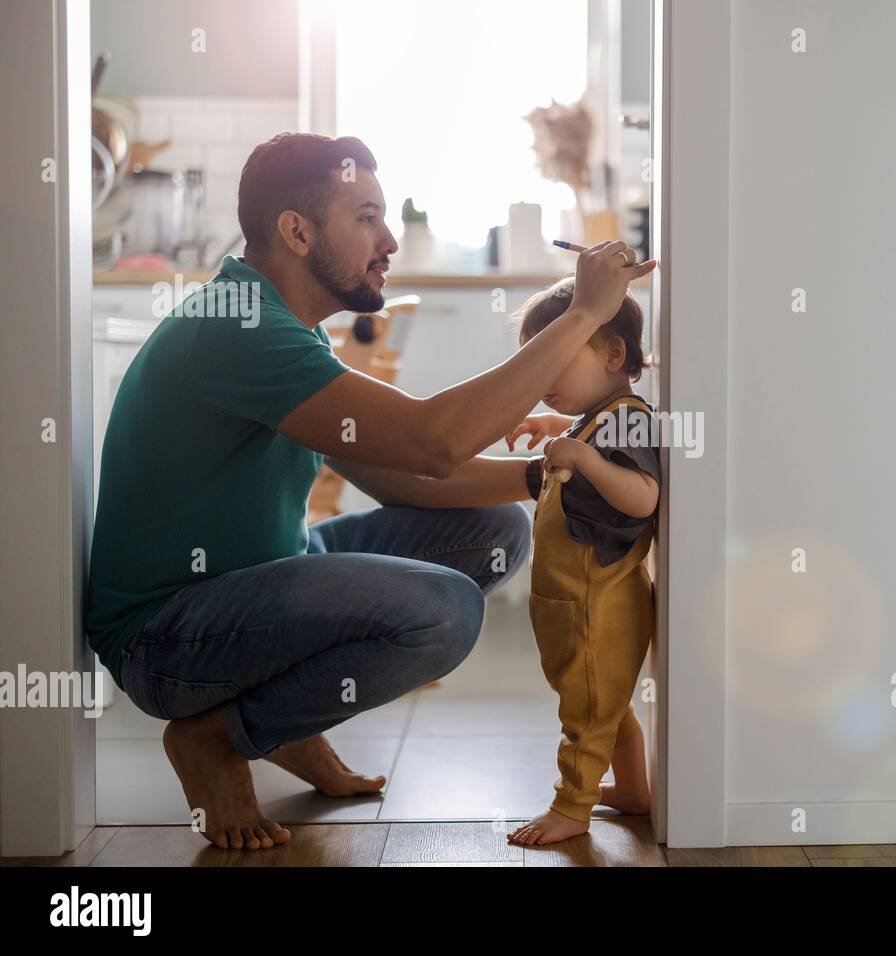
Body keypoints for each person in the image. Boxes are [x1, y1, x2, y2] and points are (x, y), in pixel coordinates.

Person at [84, 133, 656, 850]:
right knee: (441, 609)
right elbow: (432, 442)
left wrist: (541, 476)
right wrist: (581, 316)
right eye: (366, 217)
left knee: (498, 529)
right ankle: (218, 738)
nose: (388, 240)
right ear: (296, 231)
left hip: (253, 581)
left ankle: (287, 725)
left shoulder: (284, 328)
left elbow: (394, 475)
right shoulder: (240, 327)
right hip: (165, 634)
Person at [502, 278, 660, 846]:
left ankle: (572, 807)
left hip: (602, 602)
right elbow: (593, 444)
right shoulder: (604, 416)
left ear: (613, 352)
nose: (540, 383)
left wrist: (584, 459)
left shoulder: (629, 417)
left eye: (553, 365)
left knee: (589, 711)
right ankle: (636, 790)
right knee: (608, 706)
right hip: (577, 601)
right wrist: (560, 431)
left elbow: (643, 496)